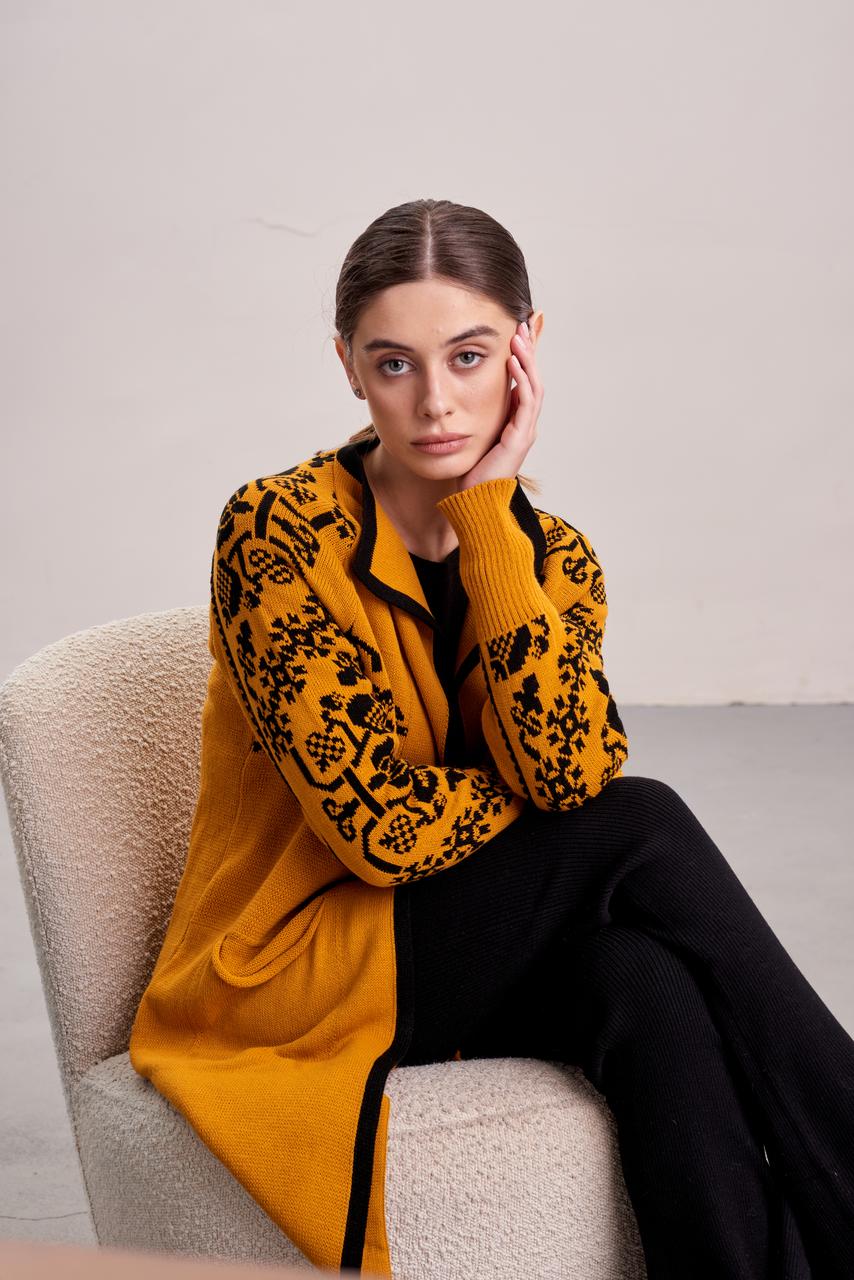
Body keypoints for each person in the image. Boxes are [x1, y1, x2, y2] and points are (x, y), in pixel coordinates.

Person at [129, 198, 854, 1279]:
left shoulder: (551, 557)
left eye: (468, 357)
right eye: (393, 364)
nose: (434, 402)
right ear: (348, 366)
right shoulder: (276, 534)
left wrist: (489, 522)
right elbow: (380, 829)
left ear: (525, 347)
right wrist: (535, 794)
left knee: (641, 980)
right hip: (293, 967)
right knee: (638, 821)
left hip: (461, 944)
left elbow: (565, 767)